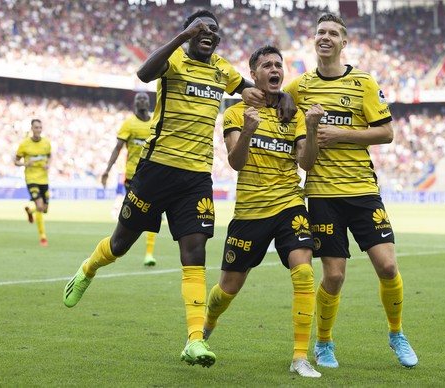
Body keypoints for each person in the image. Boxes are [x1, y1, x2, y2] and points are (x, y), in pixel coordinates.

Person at [62, 9, 295, 369]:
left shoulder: (222, 68)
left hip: (196, 178)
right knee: (121, 244)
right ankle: (88, 269)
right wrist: (182, 37)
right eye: (201, 28)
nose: (208, 33)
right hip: (156, 171)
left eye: (213, 30)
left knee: (195, 251)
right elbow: (142, 73)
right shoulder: (172, 58)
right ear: (188, 31)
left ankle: (195, 340)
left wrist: (283, 99)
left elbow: (253, 91)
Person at [283, 13, 418, 369]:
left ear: (344, 43)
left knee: (388, 266)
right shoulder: (300, 87)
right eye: (320, 32)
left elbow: (387, 133)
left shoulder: (363, 82)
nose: (324, 37)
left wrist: (342, 134)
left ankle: (396, 334)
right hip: (323, 194)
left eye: (332, 33)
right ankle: (324, 344)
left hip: (362, 189)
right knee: (334, 275)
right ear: (314, 41)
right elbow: (274, 100)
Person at [202, 45, 324, 378]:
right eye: (267, 65)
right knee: (227, 289)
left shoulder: (294, 113)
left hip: (289, 203)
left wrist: (312, 129)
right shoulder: (235, 114)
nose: (275, 69)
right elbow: (236, 162)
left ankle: (300, 357)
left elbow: (307, 162)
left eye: (278, 65)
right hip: (250, 212)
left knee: (303, 272)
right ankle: (207, 324)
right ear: (253, 74)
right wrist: (250, 131)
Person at [101, 92, 158, 266]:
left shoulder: (156, 122)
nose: (142, 101)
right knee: (133, 214)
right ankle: (117, 244)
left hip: (153, 174)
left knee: (153, 213)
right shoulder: (128, 124)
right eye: (138, 99)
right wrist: (107, 170)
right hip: (133, 176)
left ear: (149, 103)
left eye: (145, 99)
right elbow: (117, 148)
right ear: (134, 104)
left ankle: (149, 254)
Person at [15, 119, 51, 247]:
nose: (38, 130)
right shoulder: (24, 144)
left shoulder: (46, 143)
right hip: (31, 179)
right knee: (40, 206)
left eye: (40, 127)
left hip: (44, 179)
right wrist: (25, 163)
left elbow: (50, 156)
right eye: (36, 127)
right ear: (32, 128)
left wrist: (48, 165)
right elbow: (16, 161)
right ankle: (43, 237)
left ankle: (30, 211)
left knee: (45, 209)